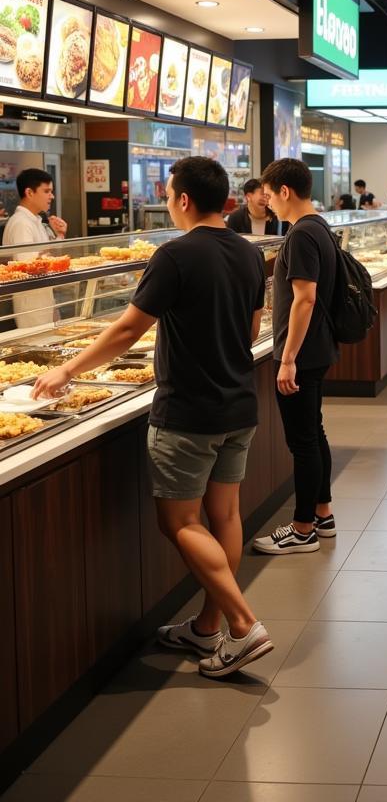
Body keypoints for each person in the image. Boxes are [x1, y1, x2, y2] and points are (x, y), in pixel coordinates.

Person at [33, 157, 272, 677]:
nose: (167, 200)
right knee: (225, 516)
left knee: (180, 521)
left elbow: (126, 331)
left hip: (188, 410)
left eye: (168, 193)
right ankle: (208, 626)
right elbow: (252, 330)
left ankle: (242, 623)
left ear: (183, 199)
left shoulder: (174, 255)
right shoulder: (249, 253)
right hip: (238, 404)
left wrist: (66, 371)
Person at [253, 159, 340, 558]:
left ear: (284, 191)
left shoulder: (302, 234)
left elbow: (305, 297)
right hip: (317, 347)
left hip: (302, 353)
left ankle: (302, 528)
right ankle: (322, 513)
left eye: (269, 195)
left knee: (302, 441)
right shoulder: (318, 226)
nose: (267, 203)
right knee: (313, 432)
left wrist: (288, 359)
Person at [3, 168, 69, 328]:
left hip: (43, 297)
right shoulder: (21, 223)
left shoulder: (36, 220)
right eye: (46, 191)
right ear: (29, 192)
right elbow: (29, 266)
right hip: (30, 303)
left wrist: (59, 235)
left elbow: (44, 256)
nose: (51, 196)